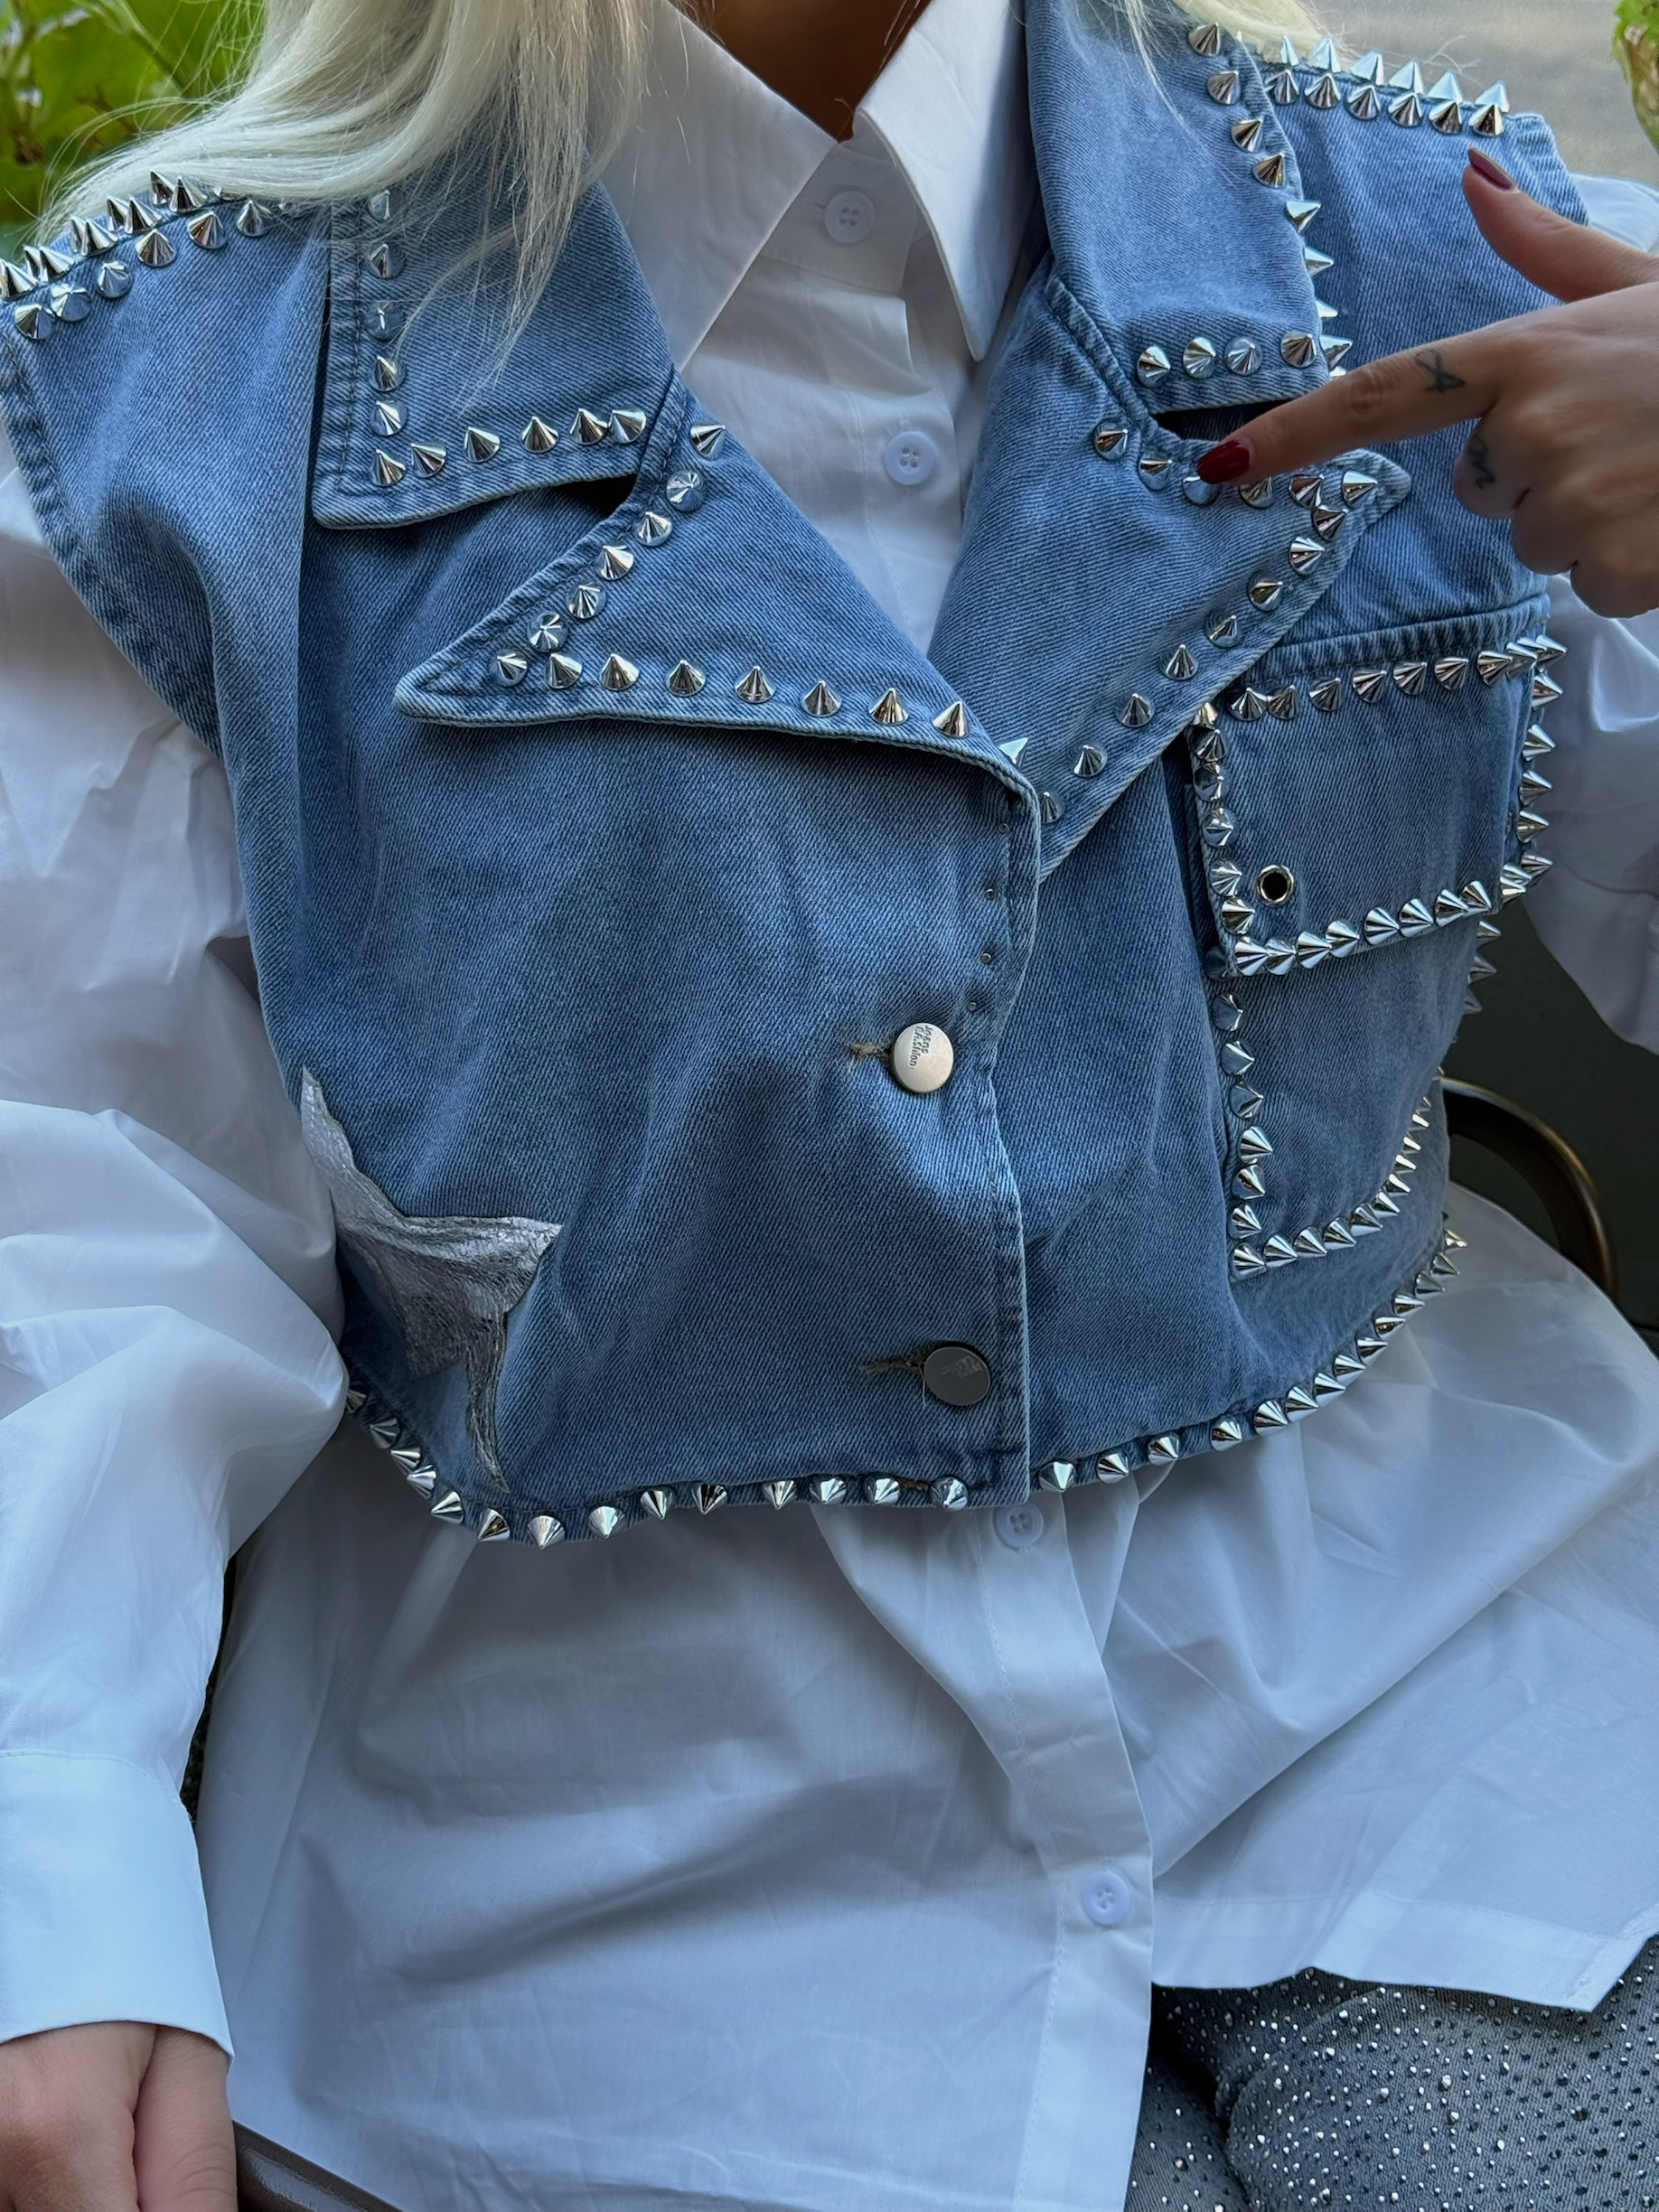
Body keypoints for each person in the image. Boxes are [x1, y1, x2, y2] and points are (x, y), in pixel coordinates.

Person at [0, 0, 1658, 2208]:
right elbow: (92, 1198)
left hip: (1468, 1730)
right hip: (611, 1899)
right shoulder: (171, 393)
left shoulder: (1461, 240)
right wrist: (47, 1833)